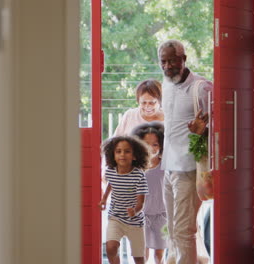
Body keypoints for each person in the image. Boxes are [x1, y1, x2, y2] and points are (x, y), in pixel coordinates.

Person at [157, 39, 212, 264]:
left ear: (184, 59)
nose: (168, 66)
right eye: (163, 61)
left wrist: (204, 130)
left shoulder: (202, 87)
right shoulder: (166, 84)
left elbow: (221, 128)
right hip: (168, 167)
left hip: (189, 169)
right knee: (172, 231)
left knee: (183, 231)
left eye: (173, 60)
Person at [99, 136, 150, 264]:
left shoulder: (139, 175)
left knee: (138, 258)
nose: (122, 154)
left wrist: (135, 210)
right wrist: (104, 199)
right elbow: (111, 184)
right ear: (113, 155)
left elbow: (141, 202)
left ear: (134, 156)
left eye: (127, 151)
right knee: (110, 248)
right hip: (115, 217)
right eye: (118, 151)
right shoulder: (110, 171)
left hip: (135, 222)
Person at [131, 122, 167, 264]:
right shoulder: (134, 167)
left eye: (155, 144)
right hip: (140, 214)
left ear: (161, 145)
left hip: (163, 214)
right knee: (141, 252)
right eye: (146, 144)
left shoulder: (166, 164)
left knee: (160, 252)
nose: (151, 148)